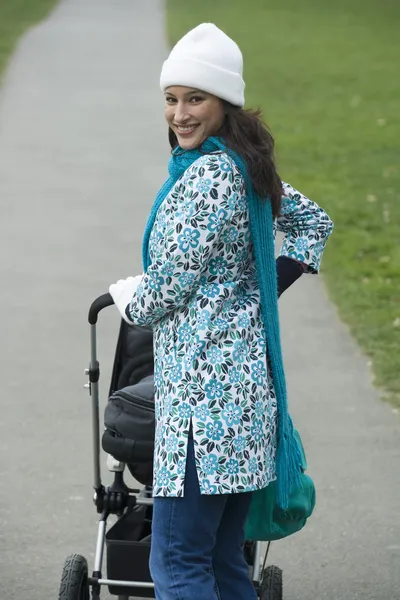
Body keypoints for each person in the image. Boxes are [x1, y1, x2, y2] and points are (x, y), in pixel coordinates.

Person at [109, 22, 333, 600]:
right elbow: (313, 223)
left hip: (200, 418)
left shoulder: (209, 177)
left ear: (225, 102)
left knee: (179, 564)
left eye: (195, 99)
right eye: (171, 99)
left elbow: (162, 293)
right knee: (225, 563)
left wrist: (129, 294)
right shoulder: (245, 166)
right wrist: (260, 287)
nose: (180, 114)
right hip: (244, 411)